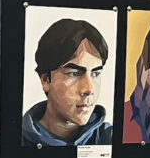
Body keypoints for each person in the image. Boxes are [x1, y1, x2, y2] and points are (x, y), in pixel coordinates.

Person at [22, 18, 113, 147]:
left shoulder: (110, 138)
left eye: (95, 74)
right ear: (45, 80)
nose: (89, 89)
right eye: (75, 74)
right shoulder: (15, 139)